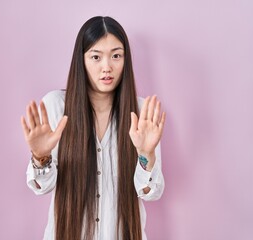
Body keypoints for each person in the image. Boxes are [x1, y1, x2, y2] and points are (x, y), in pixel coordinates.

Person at [21, 16, 166, 240]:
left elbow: (150, 193)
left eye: (116, 56)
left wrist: (146, 155)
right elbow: (42, 187)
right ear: (81, 60)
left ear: (125, 60)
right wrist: (40, 157)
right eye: (96, 57)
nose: (106, 67)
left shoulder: (141, 112)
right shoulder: (56, 106)